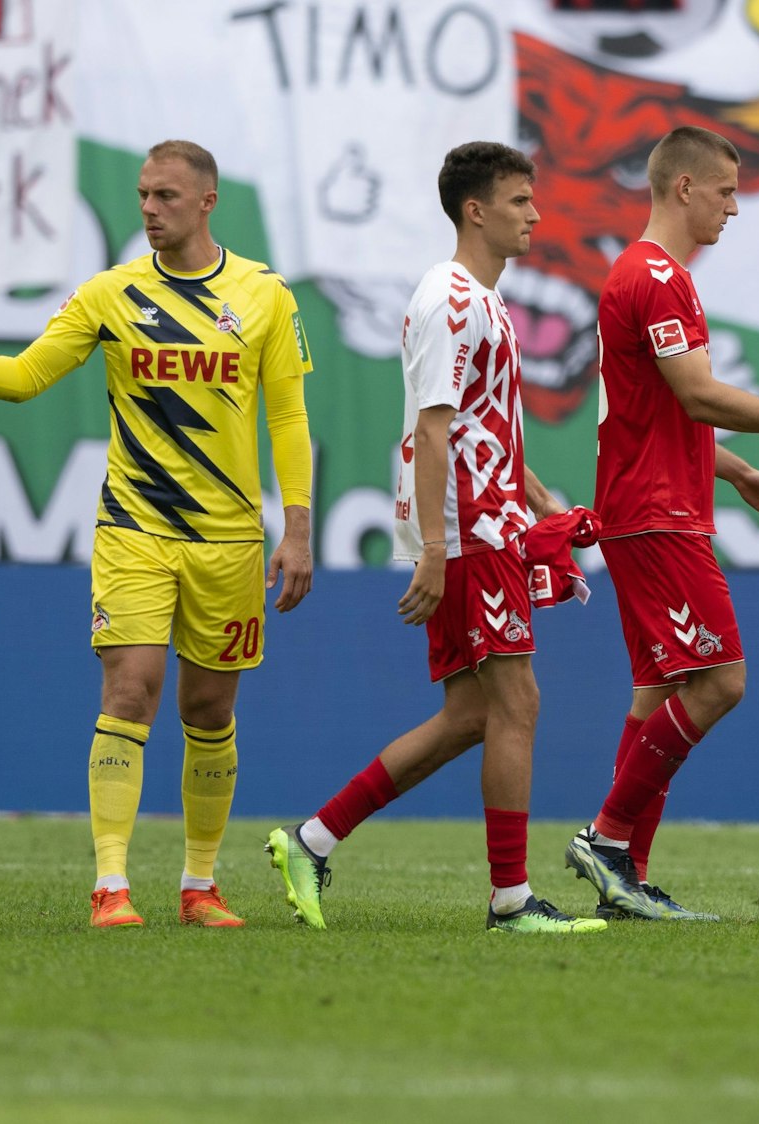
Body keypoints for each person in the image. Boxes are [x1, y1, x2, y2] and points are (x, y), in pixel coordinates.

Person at [0, 140, 314, 929]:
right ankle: (111, 885)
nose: (149, 208)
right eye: (143, 194)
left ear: (207, 201)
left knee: (209, 710)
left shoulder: (264, 295)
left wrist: (297, 528)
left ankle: (199, 885)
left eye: (166, 196)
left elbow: (288, 416)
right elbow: (27, 376)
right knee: (129, 690)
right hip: (134, 527)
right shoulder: (110, 293)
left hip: (229, 540)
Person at [263, 142, 606, 936]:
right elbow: (432, 427)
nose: (536, 215)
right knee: (517, 702)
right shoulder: (452, 299)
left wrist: (540, 500)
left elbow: (481, 425)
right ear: (475, 210)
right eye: (520, 201)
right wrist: (434, 549)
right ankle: (511, 901)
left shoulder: (484, 300)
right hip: (469, 532)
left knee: (471, 714)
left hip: (486, 522)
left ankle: (312, 841)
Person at [560, 126, 759, 921]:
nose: (734, 209)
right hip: (657, 515)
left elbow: (656, 411)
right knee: (719, 681)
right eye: (726, 192)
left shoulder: (639, 273)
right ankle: (606, 840)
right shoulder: (658, 277)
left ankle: (625, 881)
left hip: (649, 506)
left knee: (658, 693)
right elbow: (700, 395)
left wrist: (736, 471)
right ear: (684, 188)